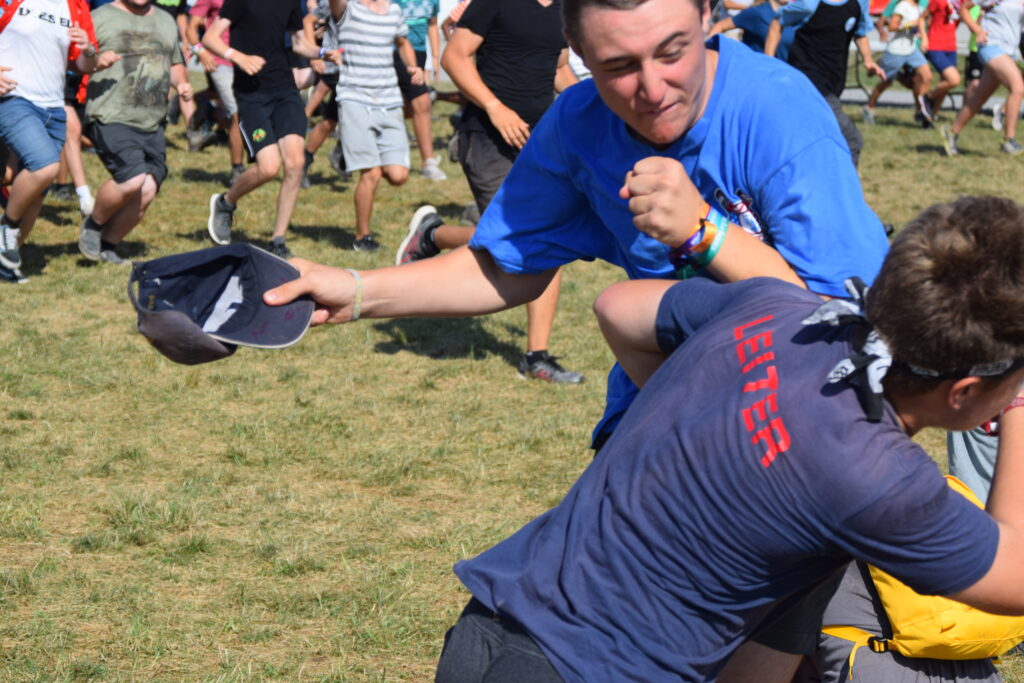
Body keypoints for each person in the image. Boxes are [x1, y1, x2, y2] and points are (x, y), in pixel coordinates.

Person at [427, 195, 1024, 681]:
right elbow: (1016, 576)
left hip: (490, 626)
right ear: (964, 390)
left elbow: (618, 307)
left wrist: (717, 412)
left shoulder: (779, 310)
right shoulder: (879, 477)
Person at [265, 0, 887, 465]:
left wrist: (706, 232)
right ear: (576, 48)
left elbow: (848, 322)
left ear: (707, 15)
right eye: (618, 66)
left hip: (804, 425)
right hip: (660, 411)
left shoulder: (779, 112)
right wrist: (356, 291)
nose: (652, 89)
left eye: (673, 52)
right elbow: (504, 264)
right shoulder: (579, 123)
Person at [395, 0, 587, 383]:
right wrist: (495, 108)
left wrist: (595, 104)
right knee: (520, 241)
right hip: (487, 138)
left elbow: (559, 68)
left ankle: (536, 357)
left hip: (538, 141)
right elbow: (454, 56)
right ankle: (433, 235)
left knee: (548, 242)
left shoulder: (563, 9)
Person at [202, 0, 341, 259]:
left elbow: (299, 43)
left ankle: (278, 240)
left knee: (296, 164)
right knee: (268, 168)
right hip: (252, 95)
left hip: (285, 90)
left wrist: (323, 53)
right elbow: (210, 38)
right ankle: (226, 202)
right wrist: (238, 57)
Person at [78, 0, 194, 264]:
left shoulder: (165, 20)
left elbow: (175, 64)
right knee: (131, 179)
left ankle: (108, 245)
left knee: (147, 189)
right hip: (111, 115)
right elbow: (78, 61)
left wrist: (182, 83)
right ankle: (94, 223)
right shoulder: (99, 17)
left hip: (153, 120)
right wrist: (96, 60)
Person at [0, 0, 98, 283]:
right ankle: (6, 228)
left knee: (36, 192)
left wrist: (89, 50)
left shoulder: (76, 6)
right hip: (14, 98)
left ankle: (6, 263)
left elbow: (83, 66)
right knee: (45, 166)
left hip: (53, 109)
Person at [328, 0, 425, 252]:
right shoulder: (348, 9)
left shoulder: (393, 10)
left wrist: (413, 66)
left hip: (389, 100)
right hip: (354, 98)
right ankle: (363, 237)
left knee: (398, 175)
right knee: (371, 174)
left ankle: (347, 150)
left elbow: (402, 41)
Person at [765, 0, 886, 166]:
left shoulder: (859, 3)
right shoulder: (809, 4)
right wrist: (768, 63)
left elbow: (860, 32)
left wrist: (868, 59)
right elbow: (777, 23)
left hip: (833, 80)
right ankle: (844, 183)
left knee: (810, 141)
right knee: (851, 141)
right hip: (807, 80)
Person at [939, 0, 1024, 156]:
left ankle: (951, 131)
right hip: (990, 45)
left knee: (978, 98)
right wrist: (977, 30)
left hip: (1009, 51)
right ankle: (1008, 140)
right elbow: (964, 9)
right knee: (1017, 87)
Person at [186, 0, 246, 185]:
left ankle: (209, 112)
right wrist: (201, 53)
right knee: (236, 112)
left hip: (247, 60)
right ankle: (237, 169)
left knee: (247, 111)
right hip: (219, 61)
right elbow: (191, 28)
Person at [396, 0, 448, 181]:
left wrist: (435, 57)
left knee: (413, 105)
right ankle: (428, 162)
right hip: (394, 51)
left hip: (419, 53)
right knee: (422, 102)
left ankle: (428, 163)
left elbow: (432, 25)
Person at [860, 0, 933, 127]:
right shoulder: (902, 6)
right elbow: (892, 27)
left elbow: (922, 22)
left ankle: (922, 111)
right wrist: (910, 24)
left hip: (911, 49)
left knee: (926, 76)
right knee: (886, 82)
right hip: (897, 50)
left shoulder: (918, 6)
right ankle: (869, 107)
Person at [708, 0, 796, 59]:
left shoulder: (795, 17)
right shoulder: (758, 12)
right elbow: (720, 25)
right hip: (758, 72)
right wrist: (708, 51)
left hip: (784, 75)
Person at [923, 0, 961, 115]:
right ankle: (927, 97)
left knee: (945, 83)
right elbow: (922, 18)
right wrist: (924, 38)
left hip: (951, 46)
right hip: (935, 44)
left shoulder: (960, 2)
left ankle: (931, 115)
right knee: (953, 79)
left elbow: (956, 21)